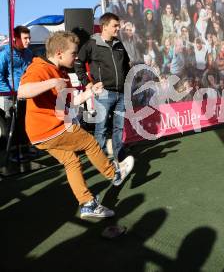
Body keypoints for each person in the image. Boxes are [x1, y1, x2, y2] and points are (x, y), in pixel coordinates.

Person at [17, 31, 134, 218]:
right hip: (49, 129)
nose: (77, 57)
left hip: (40, 134)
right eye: (73, 53)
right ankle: (114, 174)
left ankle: (87, 204)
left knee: (71, 162)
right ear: (59, 54)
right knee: (89, 142)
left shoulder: (60, 72)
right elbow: (22, 91)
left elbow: (68, 103)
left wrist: (90, 93)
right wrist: (52, 82)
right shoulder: (40, 68)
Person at [74, 12, 131, 162]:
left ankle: (119, 155)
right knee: (102, 128)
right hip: (104, 93)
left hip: (121, 94)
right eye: (115, 26)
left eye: (118, 25)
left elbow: (126, 65)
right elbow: (78, 64)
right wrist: (88, 84)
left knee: (119, 127)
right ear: (104, 27)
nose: (118, 28)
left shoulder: (119, 44)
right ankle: (99, 159)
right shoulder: (92, 43)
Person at [0, 25, 33, 159]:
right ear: (16, 39)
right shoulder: (5, 54)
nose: (28, 41)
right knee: (11, 123)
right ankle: (13, 152)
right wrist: (10, 92)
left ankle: (24, 149)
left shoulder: (29, 53)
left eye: (29, 38)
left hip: (26, 94)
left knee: (25, 122)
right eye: (25, 38)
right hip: (11, 96)